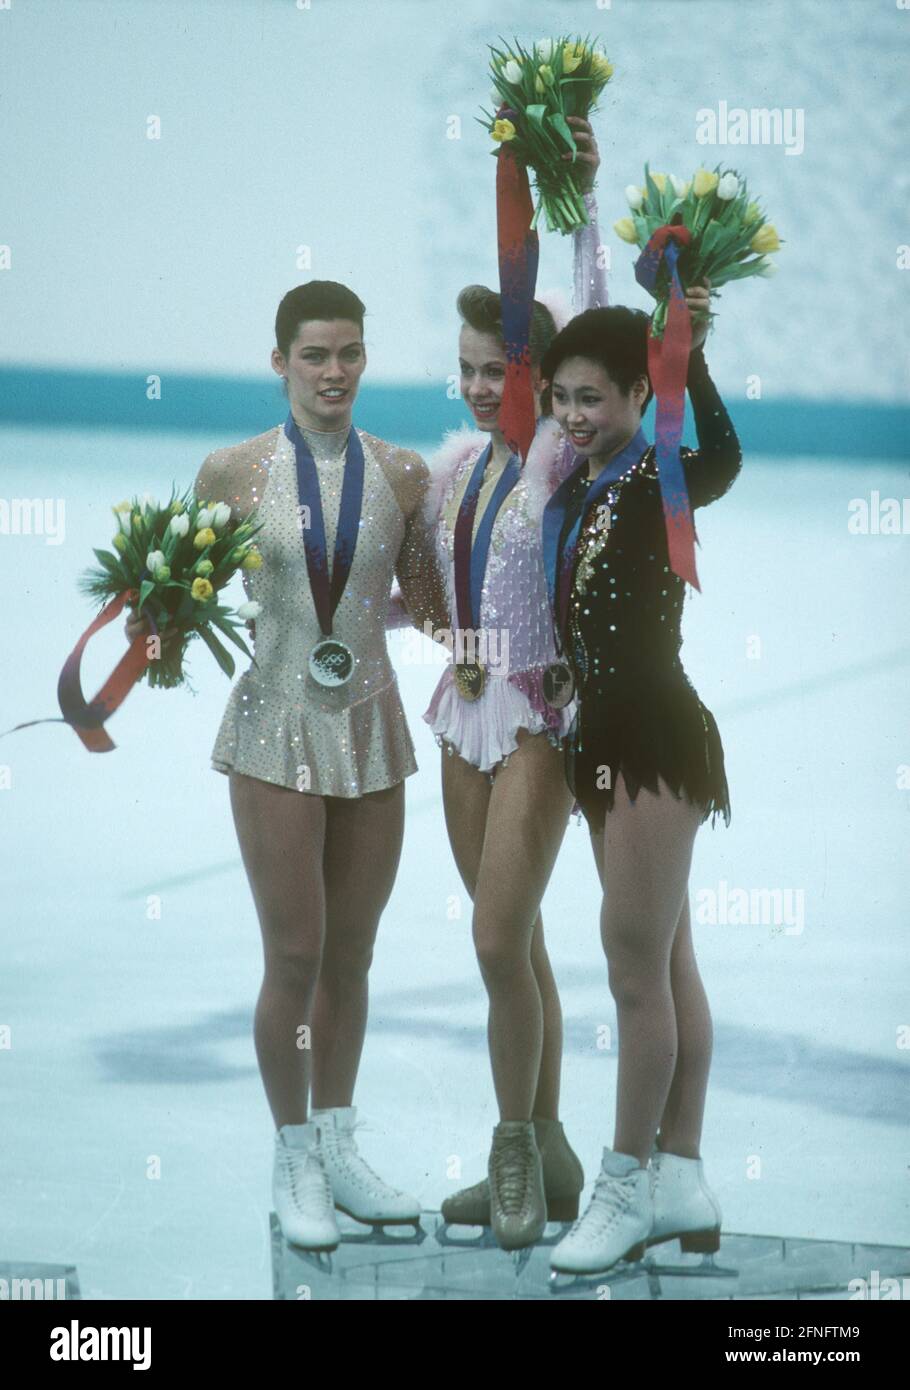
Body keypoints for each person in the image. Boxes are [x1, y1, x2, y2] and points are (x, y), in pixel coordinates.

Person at [126, 279, 447, 1252]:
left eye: (349, 351)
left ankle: (339, 1139)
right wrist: (151, 621)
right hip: (272, 729)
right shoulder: (230, 471)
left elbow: (432, 600)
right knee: (296, 955)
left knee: (352, 955)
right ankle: (293, 1153)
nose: (334, 370)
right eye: (315, 354)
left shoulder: (401, 473)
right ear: (280, 362)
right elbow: (182, 605)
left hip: (371, 728)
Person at [420, 118, 606, 1250]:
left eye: (503, 372)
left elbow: (586, 313)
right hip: (457, 713)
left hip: (537, 716)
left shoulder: (552, 459)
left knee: (496, 939)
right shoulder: (455, 471)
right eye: (471, 372)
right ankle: (548, 1146)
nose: (485, 388)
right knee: (515, 936)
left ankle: (507, 1155)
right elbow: (408, 598)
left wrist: (574, 188)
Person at [537, 290, 742, 1275]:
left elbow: (724, 459)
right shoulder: (582, 484)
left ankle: (625, 1183)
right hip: (600, 738)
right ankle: (683, 1172)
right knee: (666, 960)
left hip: (654, 736)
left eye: (591, 398)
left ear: (633, 391)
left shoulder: (654, 473)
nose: (572, 416)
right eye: (560, 399)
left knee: (630, 966)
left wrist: (684, 358)